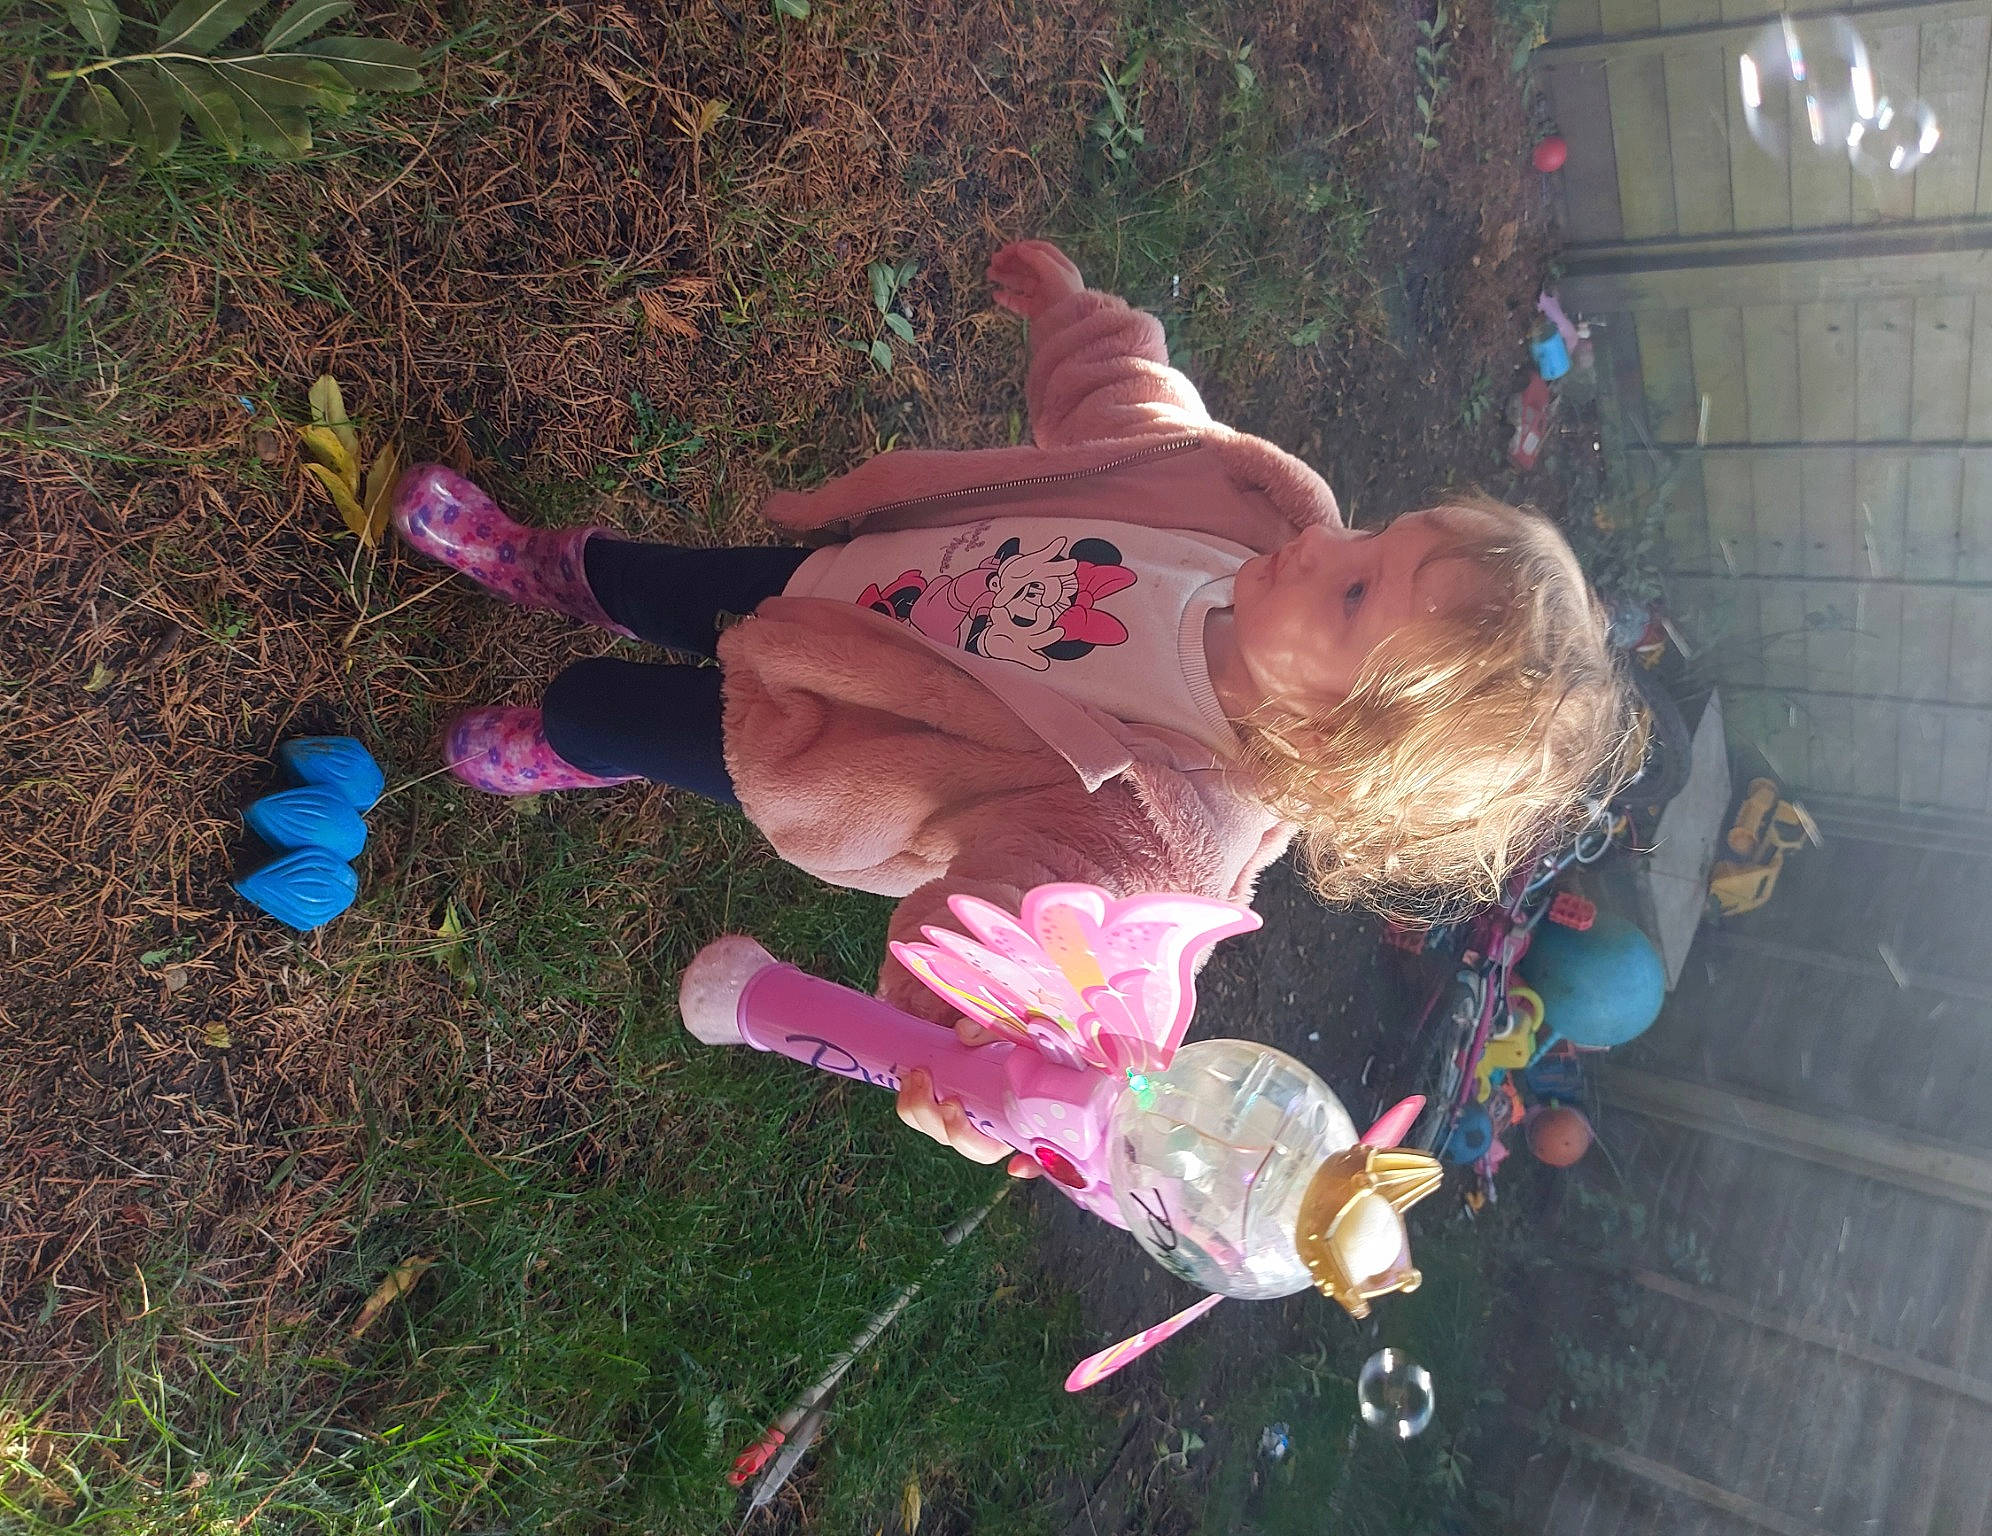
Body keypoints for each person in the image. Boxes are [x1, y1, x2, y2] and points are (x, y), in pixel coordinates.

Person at [389, 239, 1639, 1173]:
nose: (1329, 546)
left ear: (1341, 745)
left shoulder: (1167, 831)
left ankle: (575, 742)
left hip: (822, 741)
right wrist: (1076, 324)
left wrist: (969, 1044)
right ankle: (546, 564)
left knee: (618, 715)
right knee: (658, 585)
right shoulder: (1265, 519)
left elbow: (1022, 915)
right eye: (1375, 535)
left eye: (1358, 593)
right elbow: (1135, 435)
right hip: (838, 591)